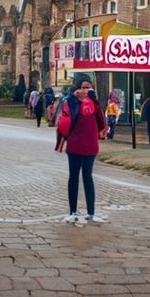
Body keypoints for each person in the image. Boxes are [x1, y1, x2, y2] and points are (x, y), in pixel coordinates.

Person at [59, 74, 106, 224]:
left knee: (88, 177)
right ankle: (73, 211)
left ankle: (91, 212)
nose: (86, 91)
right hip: (74, 146)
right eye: (83, 87)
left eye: (89, 88)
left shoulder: (94, 103)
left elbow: (102, 122)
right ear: (77, 88)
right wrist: (73, 96)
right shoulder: (71, 102)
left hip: (90, 146)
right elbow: (64, 117)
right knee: (73, 177)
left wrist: (95, 101)